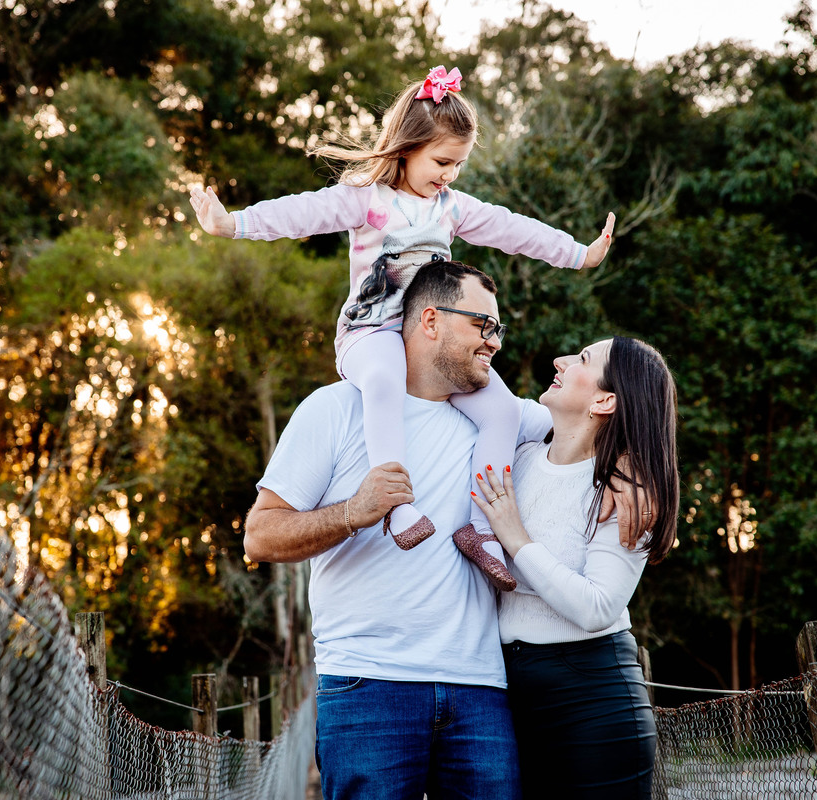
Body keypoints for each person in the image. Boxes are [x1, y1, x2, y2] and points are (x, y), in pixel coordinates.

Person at [244, 260, 653, 800]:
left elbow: (603, 420)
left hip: (483, 690)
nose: (495, 343)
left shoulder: (507, 422)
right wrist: (351, 513)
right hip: (369, 686)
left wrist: (631, 473)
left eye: (497, 330)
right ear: (431, 320)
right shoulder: (335, 410)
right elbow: (259, 535)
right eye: (483, 326)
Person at [193, 64, 615, 568]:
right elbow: (301, 212)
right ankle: (397, 505)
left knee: (500, 410)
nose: (449, 175)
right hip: (371, 332)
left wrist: (576, 253)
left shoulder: (450, 208)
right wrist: (233, 223)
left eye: (458, 165)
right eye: (441, 161)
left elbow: (512, 229)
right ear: (407, 146)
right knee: (386, 380)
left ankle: (480, 530)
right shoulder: (365, 200)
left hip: (430, 342)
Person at [469, 336, 679, 799]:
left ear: (605, 399)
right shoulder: (517, 455)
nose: (560, 360)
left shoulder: (627, 489)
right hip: (505, 692)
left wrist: (515, 538)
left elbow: (597, 606)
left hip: (592, 705)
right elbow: (472, 385)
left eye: (582, 359)